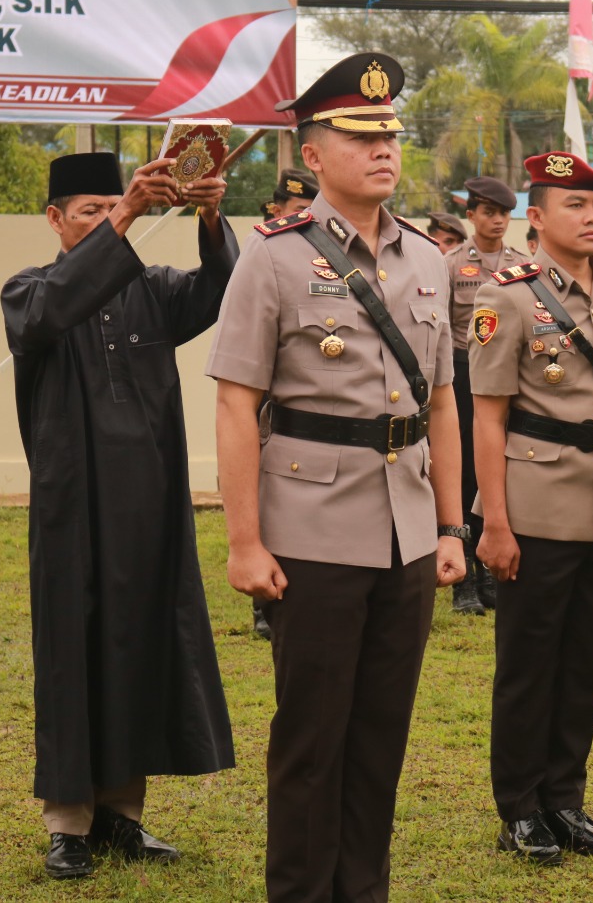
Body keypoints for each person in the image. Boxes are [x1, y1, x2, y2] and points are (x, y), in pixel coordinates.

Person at [207, 52, 465, 903]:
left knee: (381, 734)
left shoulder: (429, 258)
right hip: (312, 528)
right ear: (313, 154)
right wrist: (245, 541)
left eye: (390, 133)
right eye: (360, 135)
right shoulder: (273, 258)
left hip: (407, 527)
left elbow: (443, 404)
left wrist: (453, 526)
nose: (383, 148)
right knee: (312, 739)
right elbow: (236, 406)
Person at [1, 151, 238, 880]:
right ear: (53, 219)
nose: (106, 220)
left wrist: (207, 212)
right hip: (72, 512)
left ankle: (123, 817)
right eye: (90, 211)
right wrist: (129, 212)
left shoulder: (155, 290)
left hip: (151, 507)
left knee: (142, 648)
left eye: (115, 206)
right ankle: (68, 825)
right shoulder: (29, 289)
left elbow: (223, 291)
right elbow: (49, 314)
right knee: (74, 655)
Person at [469, 151, 593, 865]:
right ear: (536, 219)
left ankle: (565, 800)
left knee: (585, 662)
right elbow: (488, 416)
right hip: (536, 504)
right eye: (575, 206)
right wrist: (495, 521)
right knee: (529, 662)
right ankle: (519, 808)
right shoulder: (507, 295)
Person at [443, 175, 519, 615]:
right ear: (470, 216)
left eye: (504, 213)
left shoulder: (522, 263)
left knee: (498, 474)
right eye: (488, 212)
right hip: (461, 377)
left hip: (508, 380)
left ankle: (490, 571)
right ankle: (465, 582)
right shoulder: (451, 263)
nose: (497, 220)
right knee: (463, 476)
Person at [251, 168, 321, 637]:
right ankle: (261, 601)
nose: (306, 218)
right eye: (297, 211)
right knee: (262, 496)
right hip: (266, 402)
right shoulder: (265, 253)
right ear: (276, 210)